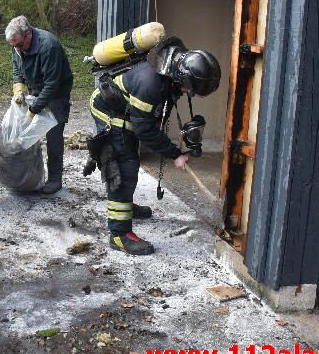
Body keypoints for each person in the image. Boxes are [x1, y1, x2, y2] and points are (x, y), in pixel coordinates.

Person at [88, 38, 220, 255]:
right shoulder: (152, 83)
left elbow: (155, 113)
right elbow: (144, 130)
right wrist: (174, 154)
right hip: (110, 113)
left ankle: (124, 205)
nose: (187, 92)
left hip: (128, 112)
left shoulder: (172, 68)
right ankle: (120, 235)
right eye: (189, 88)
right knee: (124, 167)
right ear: (183, 77)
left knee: (129, 161)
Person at [6, 15, 73, 194]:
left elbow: (52, 84)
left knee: (53, 137)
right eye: (14, 46)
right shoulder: (18, 46)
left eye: (19, 45)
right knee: (28, 135)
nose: (17, 49)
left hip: (57, 95)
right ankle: (30, 175)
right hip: (36, 90)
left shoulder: (49, 46)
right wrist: (18, 89)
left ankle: (54, 179)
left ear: (28, 34)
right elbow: (16, 68)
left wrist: (33, 111)